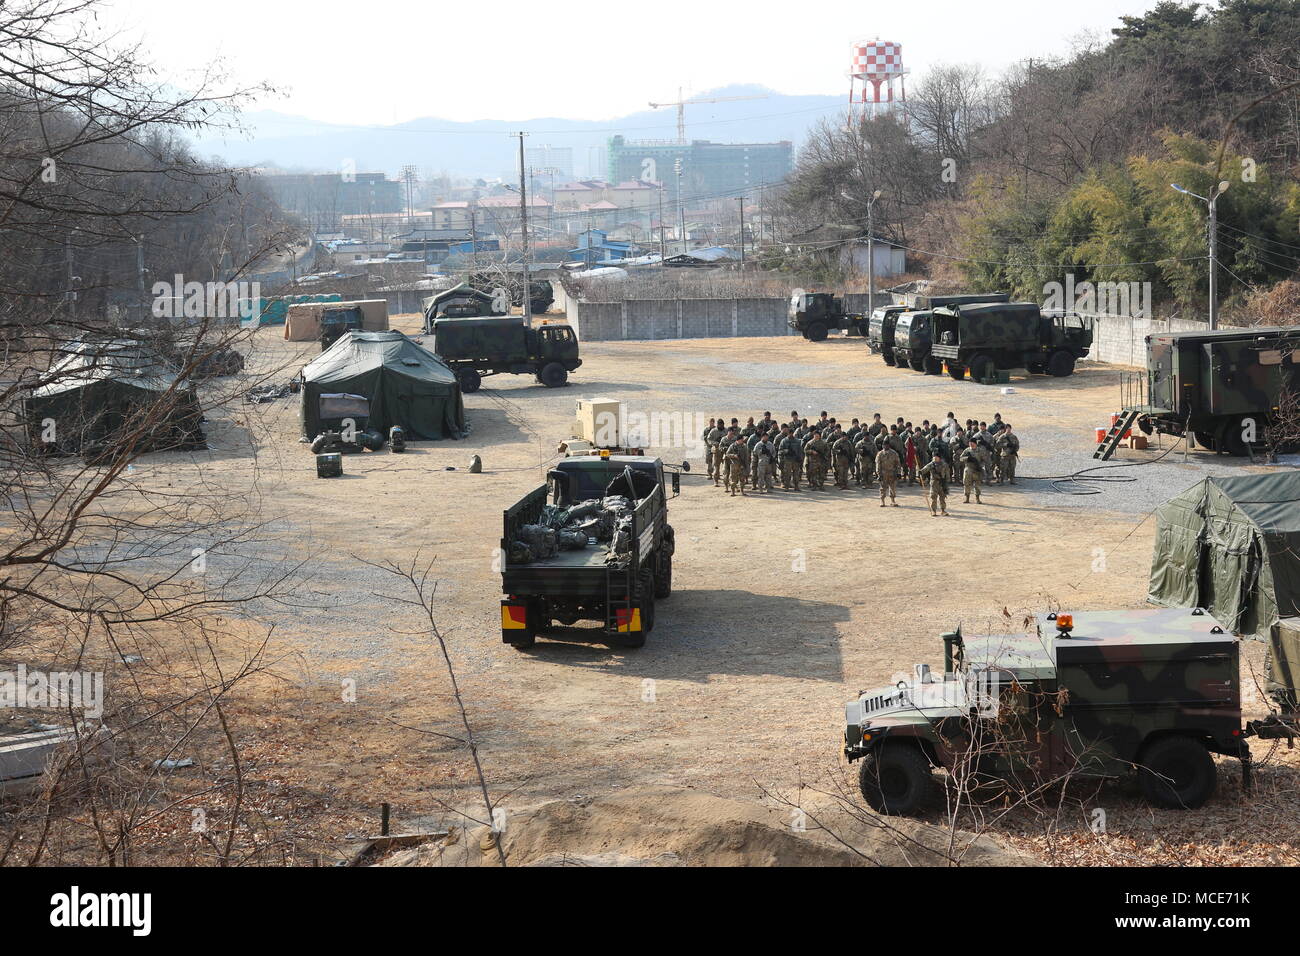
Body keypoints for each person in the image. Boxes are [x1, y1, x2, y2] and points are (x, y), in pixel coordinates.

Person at [876, 440, 901, 507]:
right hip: (883, 473)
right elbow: (878, 465)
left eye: (886, 445)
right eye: (884, 445)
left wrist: (899, 473)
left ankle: (893, 500)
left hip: (892, 473)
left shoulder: (894, 453)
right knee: (882, 487)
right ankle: (882, 500)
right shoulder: (880, 454)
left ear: (889, 445)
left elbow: (898, 463)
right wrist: (878, 474)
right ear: (882, 446)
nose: (885, 446)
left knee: (892, 487)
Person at [724, 431, 750, 497]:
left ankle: (742, 491)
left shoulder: (744, 447)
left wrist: (747, 466)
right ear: (738, 440)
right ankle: (733, 492)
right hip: (734, 465)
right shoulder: (732, 446)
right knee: (733, 479)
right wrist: (734, 456)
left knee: (742, 479)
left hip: (742, 465)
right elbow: (727, 454)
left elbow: (746, 457)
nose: (743, 441)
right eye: (742, 439)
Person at [778, 426, 803, 491]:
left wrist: (800, 459)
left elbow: (800, 451)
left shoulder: (797, 441)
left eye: (792, 433)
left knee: (796, 474)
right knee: (787, 474)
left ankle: (796, 486)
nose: (790, 435)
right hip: (787, 460)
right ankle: (787, 487)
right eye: (789, 433)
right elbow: (780, 451)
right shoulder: (784, 441)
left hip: (795, 460)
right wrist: (786, 451)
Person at [959, 439, 983, 504]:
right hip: (968, 469)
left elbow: (984, 459)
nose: (971, 444)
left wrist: (980, 467)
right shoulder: (967, 450)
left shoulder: (980, 450)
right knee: (966, 484)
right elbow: (961, 458)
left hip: (977, 470)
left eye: (972, 443)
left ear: (976, 443)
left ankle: (977, 499)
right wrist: (967, 458)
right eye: (970, 443)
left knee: (977, 485)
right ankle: (967, 498)